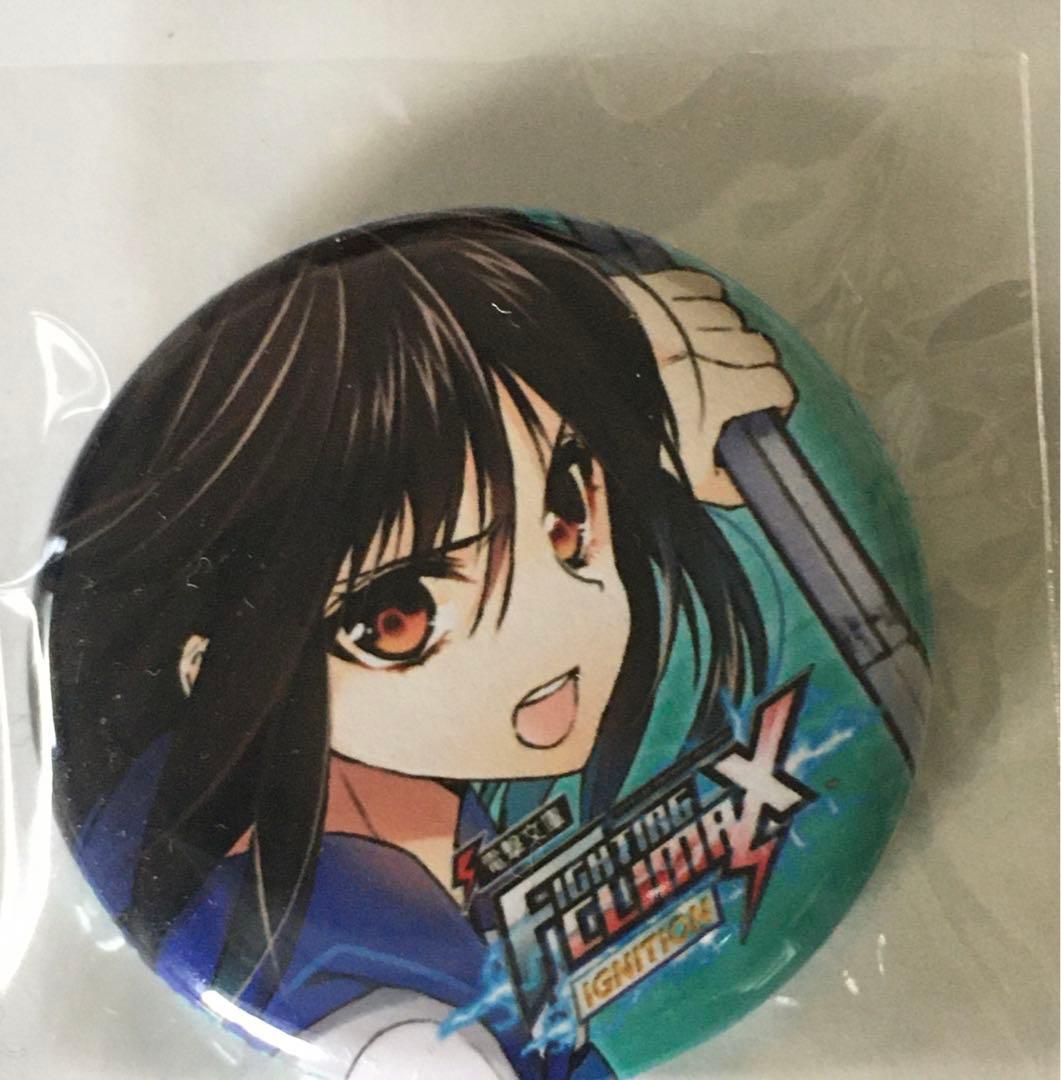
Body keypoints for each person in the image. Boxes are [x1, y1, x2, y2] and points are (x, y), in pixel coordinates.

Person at [43, 211, 793, 1078]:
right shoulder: (360, 982)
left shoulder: (402, 827)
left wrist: (626, 399)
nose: (552, 632)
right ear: (216, 670)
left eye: (565, 513)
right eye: (397, 616)